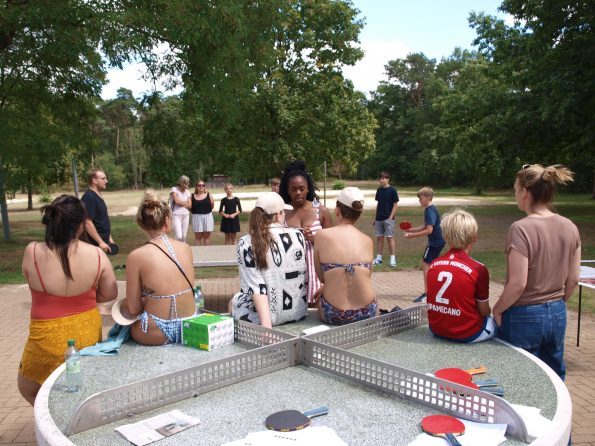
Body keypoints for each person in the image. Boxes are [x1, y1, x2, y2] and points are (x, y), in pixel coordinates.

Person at [18, 195, 118, 405]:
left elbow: (30, 279)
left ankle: (52, 418)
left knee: (28, 387)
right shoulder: (96, 254)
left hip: (46, 338)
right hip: (86, 335)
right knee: (83, 387)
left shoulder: (32, 251)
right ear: (81, 225)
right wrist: (87, 297)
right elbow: (110, 293)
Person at [493, 164, 580, 381]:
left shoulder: (520, 228)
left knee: (521, 379)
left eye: (515, 190)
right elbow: (573, 279)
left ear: (524, 192)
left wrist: (497, 309)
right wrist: (557, 303)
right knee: (554, 378)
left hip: (524, 315)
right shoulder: (570, 226)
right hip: (558, 312)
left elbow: (518, 283)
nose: (515, 195)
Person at [126, 191, 197, 345]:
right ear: (167, 220)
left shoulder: (136, 256)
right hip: (191, 324)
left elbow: (133, 309)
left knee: (122, 328)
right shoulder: (185, 248)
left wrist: (148, 299)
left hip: (156, 330)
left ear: (142, 223)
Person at [229, 192, 307, 328]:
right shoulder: (298, 235)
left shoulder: (247, 242)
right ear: (278, 215)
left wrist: (267, 329)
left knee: (233, 302)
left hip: (263, 319)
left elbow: (256, 288)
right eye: (284, 212)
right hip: (297, 313)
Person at [426, 209, 496, 343]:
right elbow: (484, 311)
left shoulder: (434, 264)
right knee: (498, 322)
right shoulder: (478, 269)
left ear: (446, 236)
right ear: (474, 237)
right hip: (468, 333)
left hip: (436, 329)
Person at [313, 187, 377, 325]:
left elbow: (322, 277)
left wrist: (331, 281)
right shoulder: (368, 240)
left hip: (333, 313)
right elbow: (365, 276)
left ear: (337, 210)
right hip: (367, 310)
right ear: (358, 215)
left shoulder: (321, 236)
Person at [279, 160, 332, 305]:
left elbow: (333, 245)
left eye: (301, 188)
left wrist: (314, 239)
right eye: (293, 189)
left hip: (316, 275)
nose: (298, 193)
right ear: (287, 190)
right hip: (290, 276)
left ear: (308, 188)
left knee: (315, 311)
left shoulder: (321, 211)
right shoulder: (281, 213)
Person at [403, 187, 446, 303]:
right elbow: (425, 226)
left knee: (426, 264)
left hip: (435, 242)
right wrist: (411, 230)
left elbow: (429, 230)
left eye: (421, 198)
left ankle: (428, 294)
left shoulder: (430, 211)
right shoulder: (430, 209)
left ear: (428, 198)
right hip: (438, 241)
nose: (419, 201)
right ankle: (434, 290)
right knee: (429, 265)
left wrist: (412, 236)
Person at [81, 168, 116, 254]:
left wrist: (109, 238)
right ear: (95, 180)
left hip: (102, 243)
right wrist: (100, 242)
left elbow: (102, 219)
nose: (106, 181)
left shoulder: (97, 195)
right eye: (103, 178)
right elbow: (87, 222)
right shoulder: (89, 197)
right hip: (93, 244)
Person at [373, 171, 400, 267]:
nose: (381, 180)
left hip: (388, 219)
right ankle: (379, 259)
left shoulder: (393, 190)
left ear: (388, 179)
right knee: (379, 238)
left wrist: (390, 218)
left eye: (383, 178)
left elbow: (395, 205)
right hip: (379, 218)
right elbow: (378, 204)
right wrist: (375, 218)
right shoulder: (379, 190)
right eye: (380, 178)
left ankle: (392, 259)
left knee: (390, 238)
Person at [190, 180, 215, 245]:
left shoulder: (209, 195)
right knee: (197, 237)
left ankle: (207, 251)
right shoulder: (192, 196)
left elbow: (212, 206)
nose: (201, 186)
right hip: (196, 217)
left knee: (207, 237)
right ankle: (198, 251)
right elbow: (190, 207)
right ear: (196, 186)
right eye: (199, 185)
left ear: (204, 186)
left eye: (203, 185)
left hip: (207, 217)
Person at [170, 175, 191, 242]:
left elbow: (190, 206)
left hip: (186, 215)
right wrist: (186, 203)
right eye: (186, 183)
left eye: (188, 182)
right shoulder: (174, 189)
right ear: (182, 183)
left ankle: (182, 248)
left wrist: (182, 203)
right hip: (176, 215)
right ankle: (175, 247)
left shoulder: (187, 192)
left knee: (183, 237)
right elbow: (177, 202)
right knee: (179, 236)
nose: (188, 184)